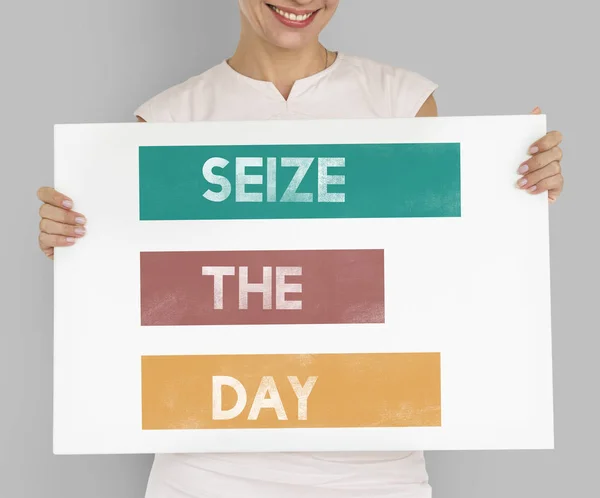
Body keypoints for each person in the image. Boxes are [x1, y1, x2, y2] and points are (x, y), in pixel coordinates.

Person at [36, 1, 565, 496]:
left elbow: (439, 272)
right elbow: (146, 299)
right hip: (208, 469)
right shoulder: (168, 119)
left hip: (376, 470)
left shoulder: (399, 101)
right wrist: (78, 248)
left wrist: (514, 194)